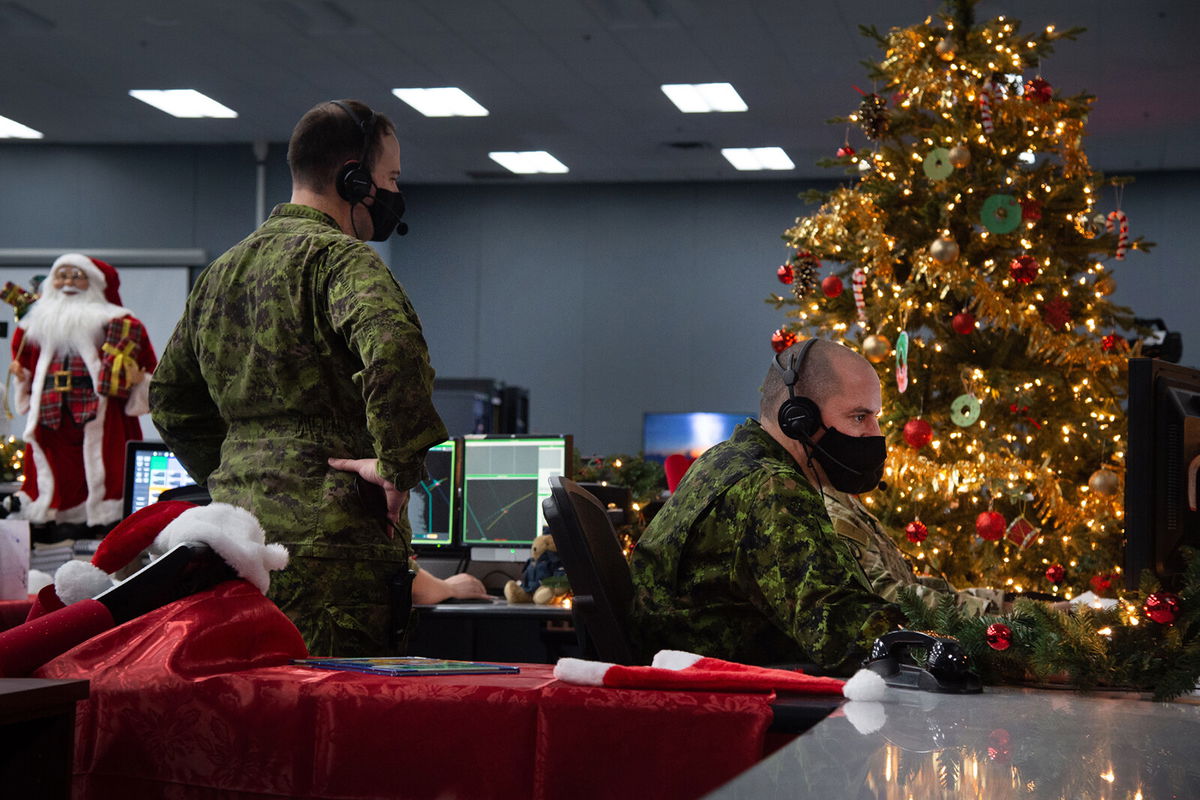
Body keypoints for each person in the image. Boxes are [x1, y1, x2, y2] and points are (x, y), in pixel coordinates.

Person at [149, 99, 485, 657]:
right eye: (391, 177)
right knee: (330, 722)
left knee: (253, 712)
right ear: (353, 179)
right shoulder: (341, 261)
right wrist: (399, 468)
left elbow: (170, 397)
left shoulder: (221, 273)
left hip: (239, 543)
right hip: (335, 547)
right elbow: (394, 351)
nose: (395, 191)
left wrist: (241, 472)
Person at [630, 338, 910, 674]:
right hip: (730, 696)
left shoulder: (729, 459)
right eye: (859, 416)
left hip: (703, 679)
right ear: (799, 419)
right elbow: (843, 631)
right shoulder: (771, 486)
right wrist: (964, 637)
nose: (874, 434)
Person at [8, 254, 156, 530]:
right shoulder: (36, 324)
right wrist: (22, 375)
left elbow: (144, 362)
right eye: (61, 275)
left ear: (95, 283)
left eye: (76, 276)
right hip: (51, 410)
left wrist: (137, 379)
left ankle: (99, 518)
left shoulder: (116, 321)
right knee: (54, 462)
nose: (67, 282)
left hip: (98, 409)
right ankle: (54, 514)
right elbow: (26, 356)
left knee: (103, 464)